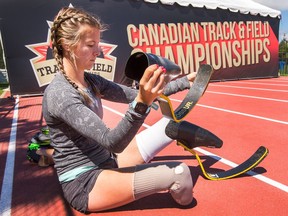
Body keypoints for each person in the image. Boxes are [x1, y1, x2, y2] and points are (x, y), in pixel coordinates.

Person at [43, 7, 200, 213]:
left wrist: (185, 82)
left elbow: (134, 95)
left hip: (108, 160)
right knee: (180, 174)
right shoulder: (60, 94)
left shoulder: (90, 80)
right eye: (90, 45)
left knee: (170, 124)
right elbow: (113, 142)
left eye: (97, 44)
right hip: (85, 182)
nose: (97, 51)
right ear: (67, 45)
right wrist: (142, 104)